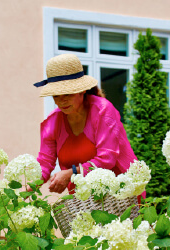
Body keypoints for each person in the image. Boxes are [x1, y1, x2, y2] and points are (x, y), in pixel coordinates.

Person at [34, 54, 142, 196]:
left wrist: (71, 173)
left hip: (121, 195)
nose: (61, 101)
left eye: (67, 94)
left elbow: (107, 158)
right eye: (56, 95)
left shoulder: (102, 111)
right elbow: (45, 163)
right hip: (84, 200)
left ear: (82, 90)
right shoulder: (52, 122)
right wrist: (24, 190)